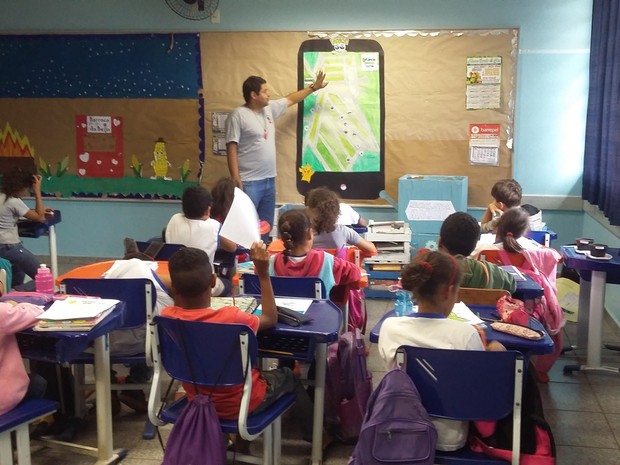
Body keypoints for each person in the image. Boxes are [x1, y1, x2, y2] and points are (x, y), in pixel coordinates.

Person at [161, 244, 313, 442]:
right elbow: (270, 317)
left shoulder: (167, 318)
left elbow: (178, 306)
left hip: (196, 400)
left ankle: (240, 444)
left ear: (173, 287)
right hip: (243, 403)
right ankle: (317, 438)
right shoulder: (232, 318)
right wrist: (263, 273)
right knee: (288, 376)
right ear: (213, 281)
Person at [378, 250, 505, 452]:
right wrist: (494, 352)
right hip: (450, 437)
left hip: (399, 429)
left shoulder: (390, 327)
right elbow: (478, 385)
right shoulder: (466, 334)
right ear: (449, 291)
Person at [225, 72, 328, 242]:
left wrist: (313, 87)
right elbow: (231, 147)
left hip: (269, 180)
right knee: (246, 226)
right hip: (249, 181)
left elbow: (290, 99)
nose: (269, 94)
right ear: (254, 95)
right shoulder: (238, 116)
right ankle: (246, 261)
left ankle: (263, 256)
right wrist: (235, 177)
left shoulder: (269, 109)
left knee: (264, 226)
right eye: (265, 91)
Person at [270, 208, 362, 297]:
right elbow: (355, 273)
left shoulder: (270, 263)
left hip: (278, 312)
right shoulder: (327, 261)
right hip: (318, 312)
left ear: (282, 238)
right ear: (310, 234)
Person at [165, 185, 238, 296]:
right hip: (203, 285)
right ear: (208, 210)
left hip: (177, 281)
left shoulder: (174, 219)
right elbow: (232, 247)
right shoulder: (214, 227)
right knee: (228, 285)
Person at [0, 167, 53, 290]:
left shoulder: (3, 197)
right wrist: (37, 191)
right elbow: (40, 217)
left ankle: (12, 294)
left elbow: (24, 212)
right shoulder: (13, 201)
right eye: (27, 189)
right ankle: (15, 293)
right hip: (9, 247)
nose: (26, 192)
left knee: (17, 272)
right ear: (20, 187)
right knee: (45, 276)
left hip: (2, 247)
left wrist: (36, 211)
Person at [438, 212, 516, 293]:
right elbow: (512, 284)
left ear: (440, 242)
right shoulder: (489, 271)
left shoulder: (428, 268)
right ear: (474, 246)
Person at [0, 300, 47, 415]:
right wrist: (15, 305)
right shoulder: (3, 313)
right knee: (38, 383)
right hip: (3, 398)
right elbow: (38, 313)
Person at [304, 187, 376, 255]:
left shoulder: (303, 234)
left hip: (313, 268)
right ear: (337, 210)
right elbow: (372, 249)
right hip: (338, 268)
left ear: (308, 210)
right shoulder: (344, 231)